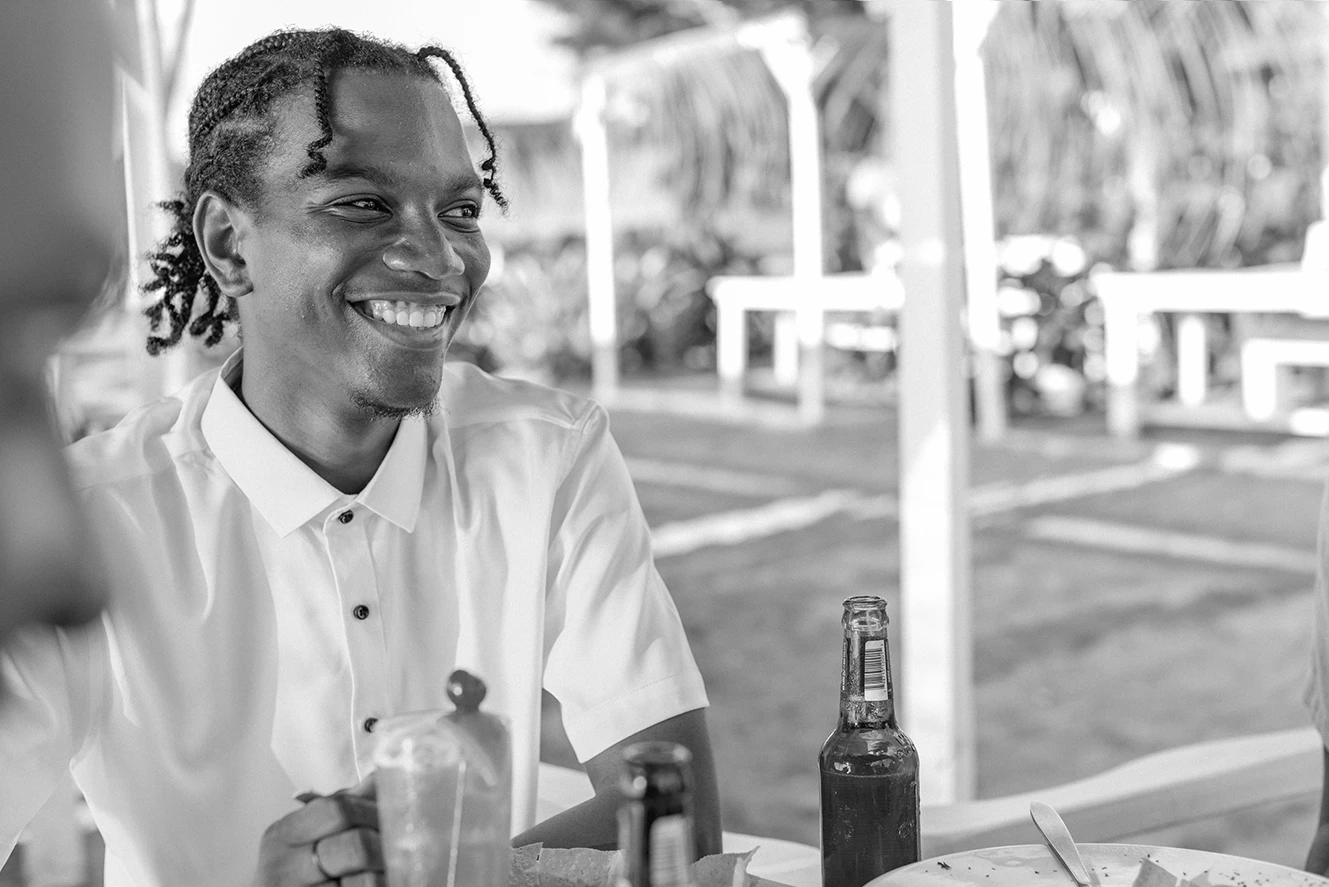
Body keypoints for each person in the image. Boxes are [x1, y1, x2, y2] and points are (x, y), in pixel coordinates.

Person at [0, 27, 721, 887]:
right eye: (362, 204)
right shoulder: (88, 518)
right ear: (229, 244)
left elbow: (671, 805)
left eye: (459, 210)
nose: (438, 256)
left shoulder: (546, 454)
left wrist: (446, 867)